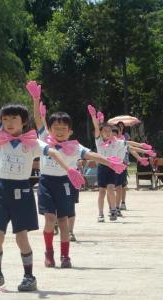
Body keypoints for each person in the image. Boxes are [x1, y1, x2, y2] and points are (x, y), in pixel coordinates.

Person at [0, 71, 84, 292]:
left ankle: (29, 276)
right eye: (5, 119)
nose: (8, 123)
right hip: (1, 190)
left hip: (22, 191)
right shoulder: (0, 137)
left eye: (13, 119)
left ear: (23, 121)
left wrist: (69, 169)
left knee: (21, 237)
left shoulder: (32, 142)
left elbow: (54, 151)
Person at [29, 83, 126, 267]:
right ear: (49, 130)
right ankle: (49, 253)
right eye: (55, 128)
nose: (59, 131)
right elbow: (38, 120)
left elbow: (91, 154)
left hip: (65, 184)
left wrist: (110, 162)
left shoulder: (74, 146)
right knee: (50, 220)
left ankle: (65, 256)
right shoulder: (43, 140)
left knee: (63, 221)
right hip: (46, 183)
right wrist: (35, 100)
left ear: (70, 131)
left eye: (63, 128)